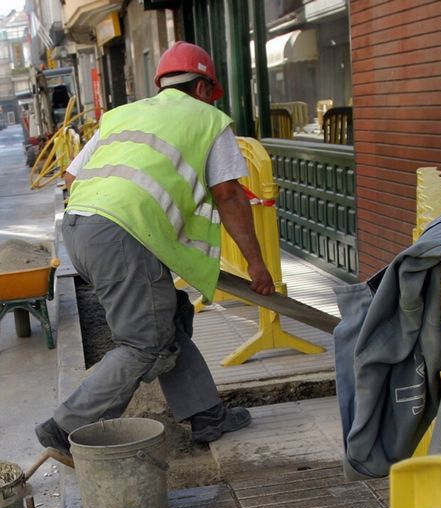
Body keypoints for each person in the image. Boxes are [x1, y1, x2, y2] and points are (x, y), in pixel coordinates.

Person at [35, 41, 276, 456]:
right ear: (204, 88)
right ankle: (65, 425)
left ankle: (207, 415)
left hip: (80, 230)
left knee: (169, 318)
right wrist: (257, 264)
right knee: (144, 344)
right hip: (121, 236)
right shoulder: (208, 121)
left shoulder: (122, 115)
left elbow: (72, 178)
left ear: (162, 84)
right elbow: (230, 197)